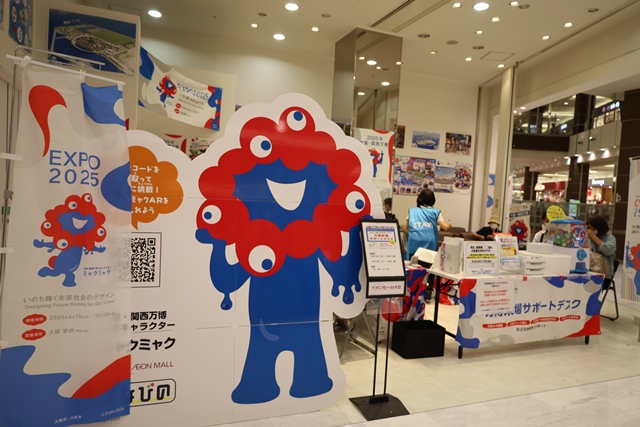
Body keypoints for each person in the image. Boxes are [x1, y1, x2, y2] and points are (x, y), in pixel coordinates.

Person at [403, 188, 452, 257]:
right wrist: (449, 224)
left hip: (413, 243)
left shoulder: (411, 211)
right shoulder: (435, 212)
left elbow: (405, 229)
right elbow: (445, 227)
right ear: (433, 200)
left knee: (413, 262)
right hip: (429, 244)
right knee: (427, 261)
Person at [586, 215, 616, 282]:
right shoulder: (587, 237)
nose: (590, 231)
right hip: (589, 271)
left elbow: (608, 250)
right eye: (588, 228)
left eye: (593, 229)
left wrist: (593, 237)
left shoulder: (610, 238)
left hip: (604, 274)